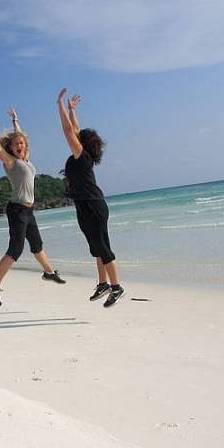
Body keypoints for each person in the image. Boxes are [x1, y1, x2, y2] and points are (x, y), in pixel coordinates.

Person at [0, 107, 66, 306]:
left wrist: (16, 120)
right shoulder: (10, 162)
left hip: (28, 211)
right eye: (16, 144)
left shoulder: (25, 160)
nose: (19, 145)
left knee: (37, 245)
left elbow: (21, 137)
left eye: (22, 143)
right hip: (17, 210)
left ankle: (49, 273)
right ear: (10, 147)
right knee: (15, 250)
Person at [56, 88, 125, 308]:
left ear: (82, 143)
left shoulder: (82, 156)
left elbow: (68, 131)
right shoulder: (80, 156)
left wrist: (59, 105)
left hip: (93, 206)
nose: (75, 135)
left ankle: (117, 287)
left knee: (103, 248)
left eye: (79, 137)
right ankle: (103, 284)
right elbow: (74, 129)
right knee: (95, 247)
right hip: (85, 206)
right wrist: (71, 109)